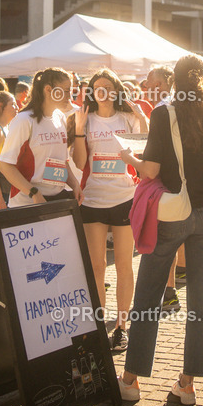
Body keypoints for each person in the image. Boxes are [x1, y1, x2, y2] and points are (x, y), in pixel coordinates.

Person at [117, 55, 203, 405]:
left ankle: (131, 381)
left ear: (173, 83)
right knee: (199, 304)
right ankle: (187, 385)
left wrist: (128, 158)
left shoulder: (164, 113)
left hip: (170, 216)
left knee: (148, 300)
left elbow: (150, 171)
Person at [69, 69, 148, 353]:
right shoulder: (85, 119)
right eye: (96, 87)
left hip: (125, 197)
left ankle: (122, 327)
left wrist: (141, 118)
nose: (102, 90)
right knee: (97, 267)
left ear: (115, 90)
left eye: (107, 86)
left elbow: (144, 149)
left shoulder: (126, 117)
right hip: (92, 200)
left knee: (125, 264)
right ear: (91, 91)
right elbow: (78, 162)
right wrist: (79, 129)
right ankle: (100, 324)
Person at [0, 68, 83, 207]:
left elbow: (62, 161)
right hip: (27, 202)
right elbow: (5, 165)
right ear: (48, 89)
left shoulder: (60, 117)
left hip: (57, 198)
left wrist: (75, 185)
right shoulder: (24, 120)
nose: (70, 97)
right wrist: (34, 193)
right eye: (66, 91)